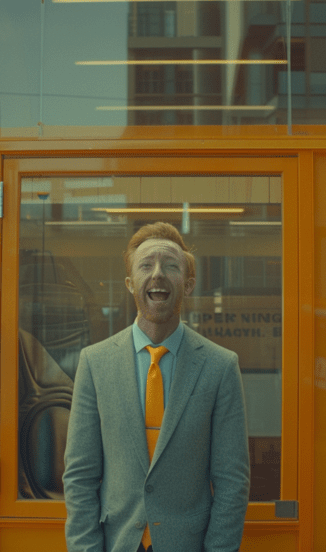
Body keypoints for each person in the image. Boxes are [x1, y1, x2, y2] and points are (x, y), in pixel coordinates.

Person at [63, 222, 250, 552]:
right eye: (146, 265)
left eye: (171, 266)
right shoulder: (95, 363)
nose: (158, 274)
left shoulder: (220, 367)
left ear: (188, 284)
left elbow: (231, 481)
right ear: (130, 283)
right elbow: (79, 476)